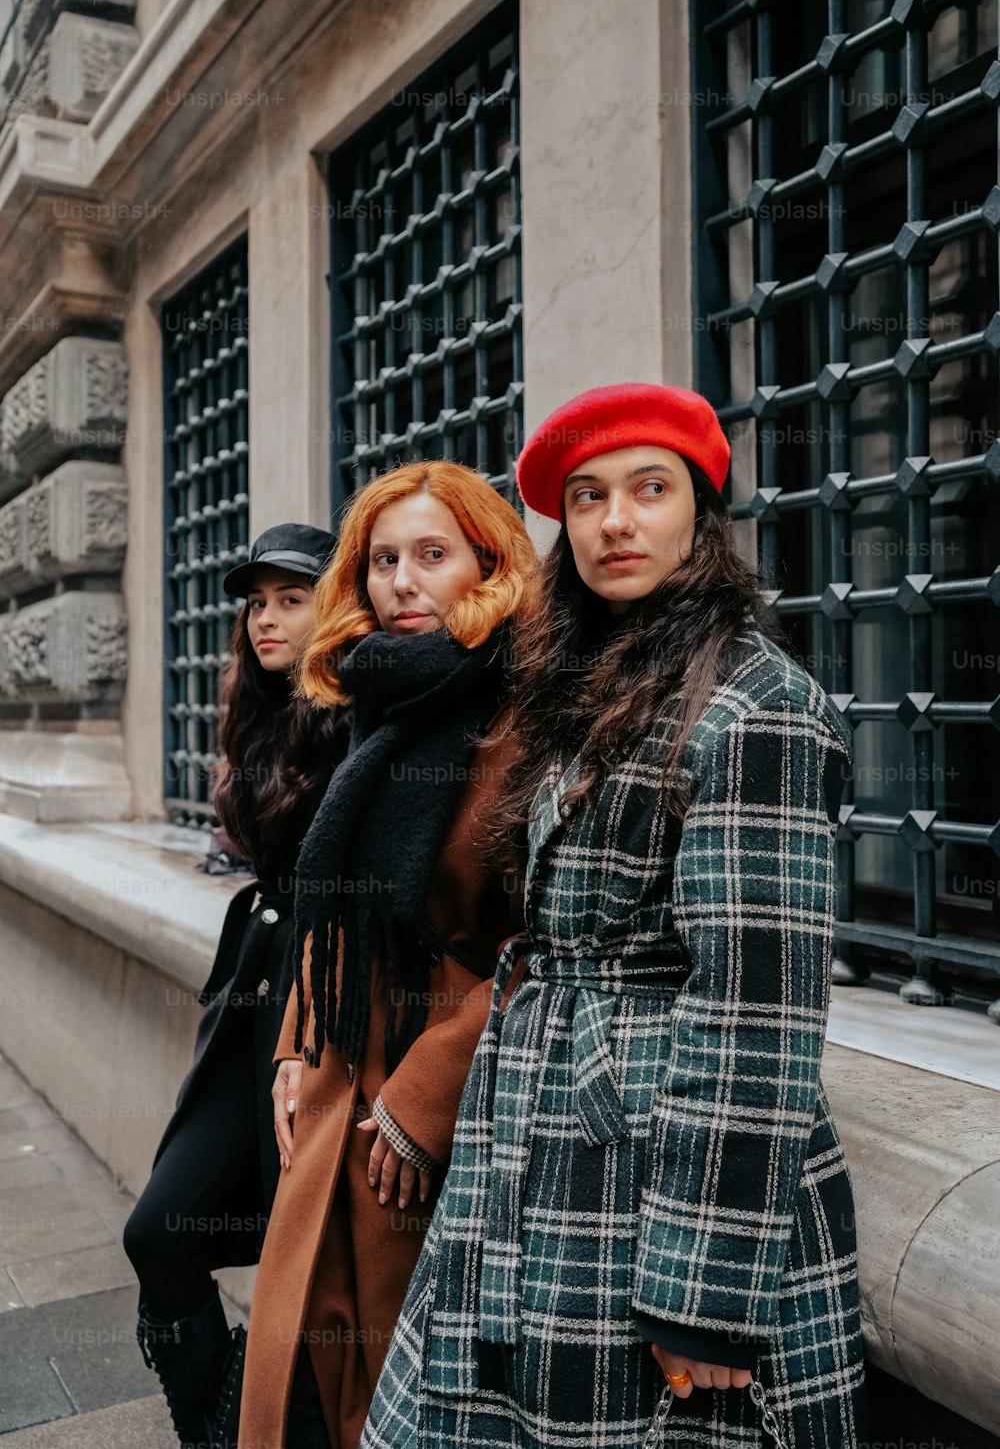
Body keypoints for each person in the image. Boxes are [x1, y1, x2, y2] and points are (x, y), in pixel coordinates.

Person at [361, 384, 869, 1449]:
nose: (614, 520)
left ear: (700, 511)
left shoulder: (758, 704)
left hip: (649, 1171)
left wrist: (702, 1291)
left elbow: (754, 1014)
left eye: (649, 488)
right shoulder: (586, 677)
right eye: (586, 497)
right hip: (532, 1142)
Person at [237, 462, 538, 1449]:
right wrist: (294, 1042)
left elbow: (558, 944)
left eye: (432, 556)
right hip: (338, 1064)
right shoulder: (379, 702)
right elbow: (332, 904)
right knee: (310, 1370)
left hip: (435, 1093)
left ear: (489, 567)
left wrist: (425, 1098)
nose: (402, 581)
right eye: (382, 561)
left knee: (402, 1387)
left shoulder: (529, 717)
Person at [125, 523, 345, 1449]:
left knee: (306, 1263)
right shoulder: (258, 712)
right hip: (256, 987)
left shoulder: (362, 715)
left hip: (327, 995)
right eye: (257, 602)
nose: (266, 619)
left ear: (334, 606)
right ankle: (218, 1429)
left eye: (291, 598)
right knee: (161, 1232)